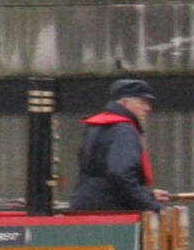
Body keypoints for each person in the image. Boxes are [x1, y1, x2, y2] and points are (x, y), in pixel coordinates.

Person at [65, 78, 168, 213]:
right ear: (124, 102)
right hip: (112, 210)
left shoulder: (95, 126)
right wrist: (151, 204)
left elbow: (100, 175)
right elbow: (121, 174)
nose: (148, 108)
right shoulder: (123, 129)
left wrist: (148, 194)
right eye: (142, 102)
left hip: (84, 204)